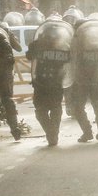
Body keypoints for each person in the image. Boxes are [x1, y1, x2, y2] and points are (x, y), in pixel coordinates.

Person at [27, 17, 73, 146]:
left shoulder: (64, 46)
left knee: (55, 109)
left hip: (55, 82)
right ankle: (51, 132)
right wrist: (36, 47)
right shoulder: (37, 45)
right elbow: (30, 56)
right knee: (41, 111)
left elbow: (70, 63)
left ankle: (53, 134)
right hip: (41, 82)